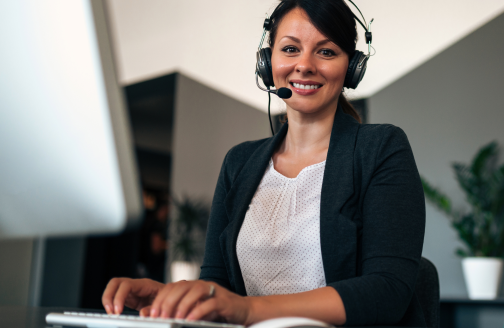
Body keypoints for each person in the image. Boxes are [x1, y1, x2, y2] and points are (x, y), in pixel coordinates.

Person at [101, 0, 426, 326]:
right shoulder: (239, 162)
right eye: (290, 49)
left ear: (352, 67)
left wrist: (250, 310)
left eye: (326, 52)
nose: (305, 65)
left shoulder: (381, 148)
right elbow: (218, 283)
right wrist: (175, 299)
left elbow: (388, 289)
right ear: (266, 61)